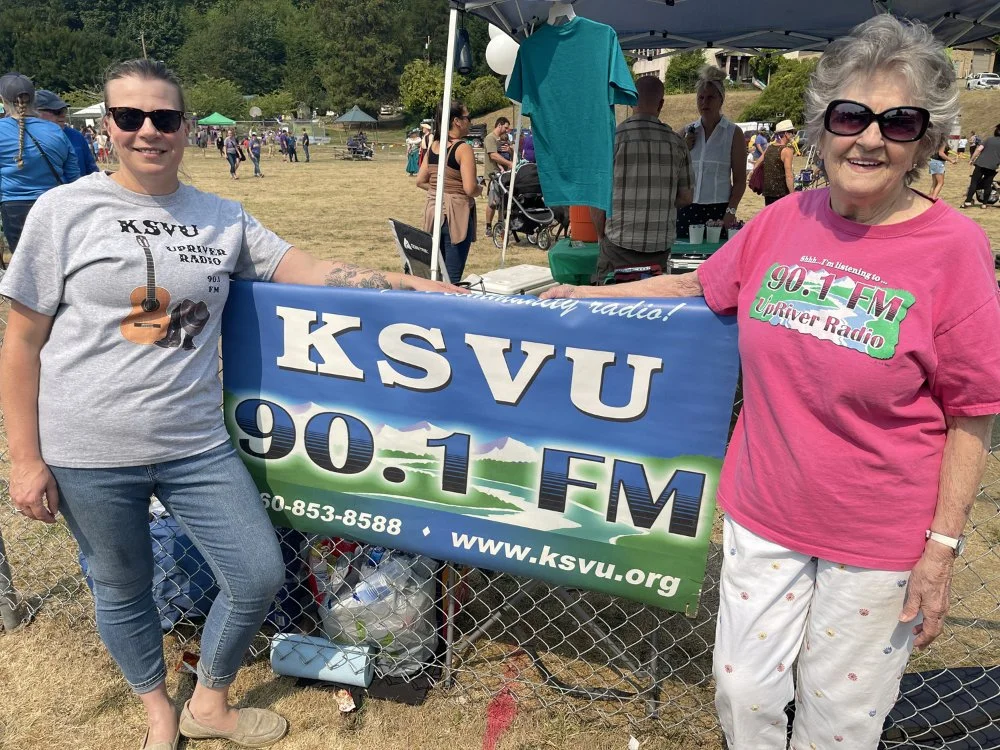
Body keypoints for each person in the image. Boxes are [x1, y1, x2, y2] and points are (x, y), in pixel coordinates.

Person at [541, 16, 1000, 750]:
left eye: (898, 122)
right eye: (850, 116)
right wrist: (586, 298)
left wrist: (941, 547)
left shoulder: (955, 249)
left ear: (926, 140)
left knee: (837, 721)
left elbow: (972, 411)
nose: (870, 138)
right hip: (764, 513)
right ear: (823, 126)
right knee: (744, 691)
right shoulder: (785, 219)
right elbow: (697, 287)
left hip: (878, 536)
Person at [0, 58, 457, 750]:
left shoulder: (222, 218)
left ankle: (208, 701)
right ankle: (159, 712)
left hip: (195, 444)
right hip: (87, 448)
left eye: (164, 117)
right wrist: (25, 458)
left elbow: (314, 271)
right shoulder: (63, 211)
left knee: (256, 572)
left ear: (185, 127)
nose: (148, 130)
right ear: (107, 128)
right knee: (122, 587)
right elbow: (21, 342)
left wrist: (419, 287)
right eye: (129, 117)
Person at [590, 75, 693, 281]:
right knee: (653, 300)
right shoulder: (678, 143)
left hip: (618, 246)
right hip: (659, 249)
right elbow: (686, 197)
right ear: (660, 104)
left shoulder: (611, 140)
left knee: (611, 298)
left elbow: (597, 200)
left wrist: (601, 235)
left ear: (630, 100)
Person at [0, 73, 80, 254]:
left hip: (14, 209)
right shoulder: (55, 130)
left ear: (3, 100)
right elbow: (74, 175)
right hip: (54, 204)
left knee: (24, 265)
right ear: (33, 97)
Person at [416, 99, 481, 283]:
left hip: (433, 214)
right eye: (468, 117)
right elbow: (469, 188)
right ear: (457, 121)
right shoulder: (463, 148)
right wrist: (480, 188)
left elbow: (420, 181)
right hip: (456, 216)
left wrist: (440, 191)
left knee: (434, 275)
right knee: (452, 279)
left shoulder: (434, 145)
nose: (470, 121)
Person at [678, 66, 747, 239]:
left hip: (719, 209)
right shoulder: (686, 132)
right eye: (701, 98)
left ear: (721, 100)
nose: (704, 103)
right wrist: (683, 148)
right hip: (686, 208)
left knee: (715, 254)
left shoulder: (733, 133)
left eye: (710, 97)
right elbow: (670, 171)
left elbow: (740, 180)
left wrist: (731, 211)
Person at [35, 89, 99, 177]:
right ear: (36, 113)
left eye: (64, 110)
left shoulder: (76, 136)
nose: (62, 115)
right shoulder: (24, 140)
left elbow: (92, 171)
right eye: (57, 111)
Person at [483, 117, 513, 237]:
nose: (507, 130)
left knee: (503, 202)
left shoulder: (503, 139)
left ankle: (501, 226)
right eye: (506, 127)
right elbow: (493, 156)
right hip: (492, 175)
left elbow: (511, 154)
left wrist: (510, 150)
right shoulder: (490, 138)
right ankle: (488, 227)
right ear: (499, 125)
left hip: (504, 176)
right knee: (493, 202)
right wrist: (509, 163)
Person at [961, 124, 1000, 208]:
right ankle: (984, 204)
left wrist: (971, 159)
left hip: (980, 163)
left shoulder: (989, 139)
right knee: (988, 184)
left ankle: (968, 202)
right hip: (992, 166)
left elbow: (979, 149)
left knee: (974, 182)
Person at [760, 119, 796, 205]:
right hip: (781, 193)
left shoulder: (769, 147)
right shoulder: (787, 151)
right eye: (792, 132)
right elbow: (789, 176)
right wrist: (793, 194)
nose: (793, 134)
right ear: (786, 134)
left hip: (768, 192)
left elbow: (758, 162)